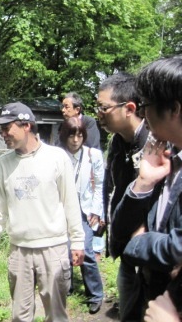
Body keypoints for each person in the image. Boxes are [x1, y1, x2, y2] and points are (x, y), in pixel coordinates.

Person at [0, 101, 85, 322]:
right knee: (19, 316)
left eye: (7, 128)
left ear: (26, 126)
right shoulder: (3, 163)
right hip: (19, 251)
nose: (3, 134)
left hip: (53, 248)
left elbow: (70, 203)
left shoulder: (56, 157)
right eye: (1, 130)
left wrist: (77, 241)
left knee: (56, 315)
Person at [110, 55, 182, 318]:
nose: (142, 113)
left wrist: (138, 242)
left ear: (174, 109)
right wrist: (144, 182)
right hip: (144, 291)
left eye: (146, 105)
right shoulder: (161, 156)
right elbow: (119, 229)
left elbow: (177, 247)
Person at [96, 72, 149, 321]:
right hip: (127, 248)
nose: (99, 113)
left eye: (104, 107)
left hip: (153, 251)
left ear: (129, 108)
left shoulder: (156, 142)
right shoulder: (117, 143)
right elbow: (113, 188)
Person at [58, 117, 104, 314]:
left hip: (84, 209)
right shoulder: (57, 155)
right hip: (61, 209)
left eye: (79, 135)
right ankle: (66, 287)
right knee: (62, 249)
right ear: (64, 135)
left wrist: (96, 210)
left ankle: (95, 294)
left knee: (85, 249)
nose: (76, 140)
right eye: (71, 134)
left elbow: (100, 185)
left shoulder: (93, 155)